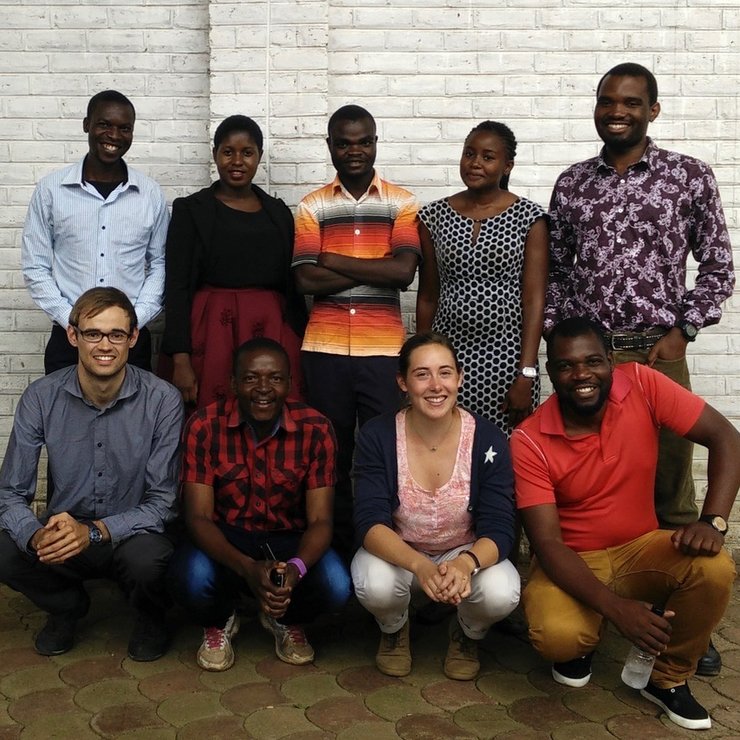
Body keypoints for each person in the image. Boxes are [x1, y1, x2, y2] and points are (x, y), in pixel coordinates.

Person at [546, 63, 735, 674]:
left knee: (671, 486)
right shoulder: (573, 184)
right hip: (588, 363)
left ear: (653, 109)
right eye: (607, 101)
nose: (616, 111)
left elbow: (718, 266)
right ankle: (591, 603)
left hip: (656, 353)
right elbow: (557, 273)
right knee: (591, 482)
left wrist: (684, 330)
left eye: (630, 102)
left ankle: (686, 620)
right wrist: (556, 338)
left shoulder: (688, 176)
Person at [511, 317, 738, 731]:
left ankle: (666, 676)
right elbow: (548, 545)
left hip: (641, 548)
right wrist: (616, 609)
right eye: (565, 366)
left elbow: (726, 438)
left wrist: (713, 520)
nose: (581, 374)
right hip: (574, 558)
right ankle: (586, 635)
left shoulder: (643, 384)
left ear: (611, 362)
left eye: (592, 361)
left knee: (714, 567)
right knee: (557, 637)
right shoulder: (529, 439)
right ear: (551, 373)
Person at [0, 287, 183, 661]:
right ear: (73, 335)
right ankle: (66, 605)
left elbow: (163, 503)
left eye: (116, 334)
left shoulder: (163, 399)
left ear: (133, 338)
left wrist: (96, 531)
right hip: (65, 531)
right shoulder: (41, 396)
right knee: (4, 547)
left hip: (131, 534)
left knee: (149, 559)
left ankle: (151, 618)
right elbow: (10, 493)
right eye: (93, 333)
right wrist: (36, 535)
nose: (105, 345)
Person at [168, 338, 351, 672]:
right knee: (191, 577)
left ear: (290, 384)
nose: (263, 389)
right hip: (225, 538)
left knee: (336, 585)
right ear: (233, 383)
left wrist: (295, 569)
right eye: (251, 378)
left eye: (275, 378)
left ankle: (283, 616)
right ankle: (221, 618)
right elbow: (198, 518)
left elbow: (321, 520)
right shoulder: (204, 426)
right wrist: (246, 568)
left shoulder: (316, 428)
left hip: (288, 540)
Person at [292, 104, 421, 561]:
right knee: (330, 457)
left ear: (375, 143)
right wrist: (374, 268)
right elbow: (305, 280)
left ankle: (385, 551)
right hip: (324, 350)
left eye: (364, 141)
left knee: (384, 452)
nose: (355, 151)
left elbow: (403, 272)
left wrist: (333, 260)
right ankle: (338, 556)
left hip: (383, 352)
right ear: (330, 146)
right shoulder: (312, 205)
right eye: (344, 143)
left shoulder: (402, 203)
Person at [351, 332, 520, 681]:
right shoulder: (378, 435)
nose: (435, 385)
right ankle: (394, 628)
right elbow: (369, 521)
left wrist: (465, 563)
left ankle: (467, 633)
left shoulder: (487, 438)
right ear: (403, 382)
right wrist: (421, 566)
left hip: (462, 552)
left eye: (445, 372)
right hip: (402, 554)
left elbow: (501, 526)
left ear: (460, 377)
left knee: (502, 592)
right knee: (374, 583)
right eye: (421, 374)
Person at [161, 115, 307, 409]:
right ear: (215, 153)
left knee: (272, 410)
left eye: (247, 152)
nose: (237, 161)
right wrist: (180, 357)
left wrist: (297, 339)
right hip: (210, 331)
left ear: (259, 156)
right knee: (211, 413)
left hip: (270, 327)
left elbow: (291, 285)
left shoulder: (278, 212)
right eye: (228, 152)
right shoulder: (191, 210)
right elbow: (176, 285)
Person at [416, 120, 548, 436]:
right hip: (448, 359)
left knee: (504, 449)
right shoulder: (433, 216)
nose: (475, 163)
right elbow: (428, 296)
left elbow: (534, 300)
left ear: (507, 166)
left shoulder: (530, 218)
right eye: (469, 154)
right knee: (447, 443)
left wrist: (526, 372)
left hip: (506, 360)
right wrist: (421, 362)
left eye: (488, 157)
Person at [21, 90, 168, 373]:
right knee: (63, 404)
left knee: (133, 404)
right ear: (87, 124)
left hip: (131, 340)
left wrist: (135, 320)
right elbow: (35, 266)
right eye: (104, 124)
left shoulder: (150, 194)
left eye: (124, 128)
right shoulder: (51, 190)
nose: (114, 135)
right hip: (68, 339)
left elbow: (160, 263)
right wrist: (71, 321)